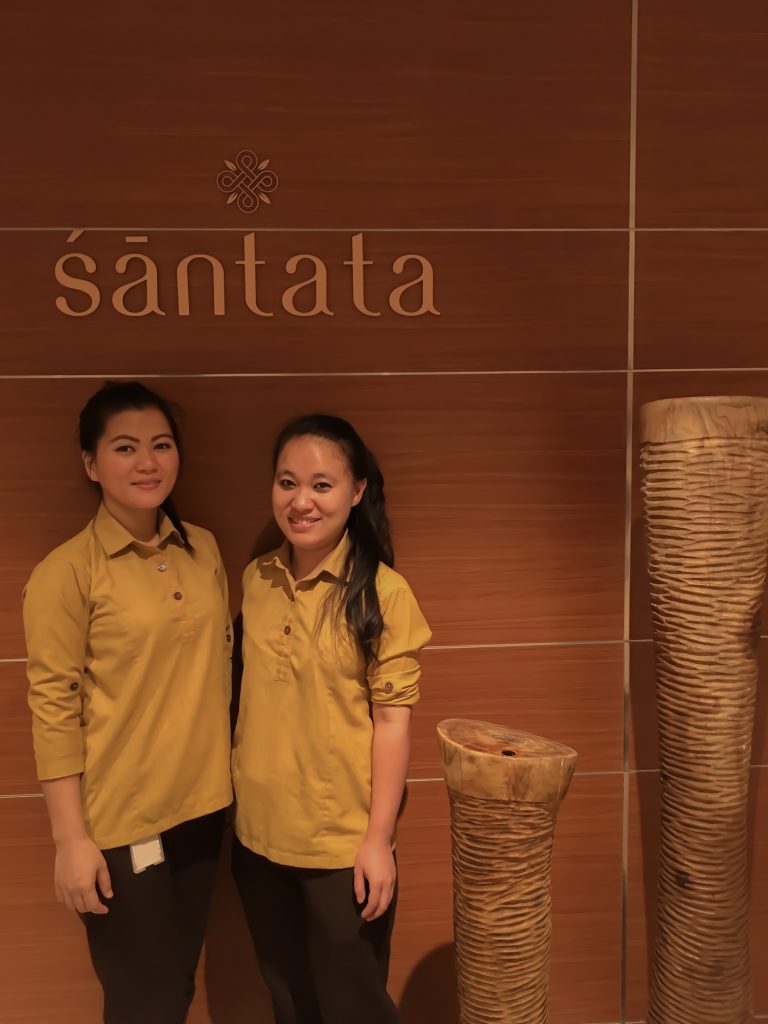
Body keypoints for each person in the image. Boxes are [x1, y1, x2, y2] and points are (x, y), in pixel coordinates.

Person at [22, 381, 233, 1024]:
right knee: (143, 1001)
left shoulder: (203, 548)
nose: (148, 462)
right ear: (91, 464)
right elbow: (53, 706)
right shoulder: (66, 573)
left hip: (205, 810)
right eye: (125, 447)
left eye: (161, 445)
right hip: (123, 823)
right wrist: (70, 841)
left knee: (175, 989)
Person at [231, 413, 431, 1024]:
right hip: (256, 838)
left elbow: (393, 724)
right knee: (289, 1001)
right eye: (287, 482)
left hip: (341, 846)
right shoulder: (256, 579)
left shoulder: (384, 593)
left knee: (354, 1007)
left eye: (321, 484)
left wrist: (377, 841)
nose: (301, 501)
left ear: (357, 490)